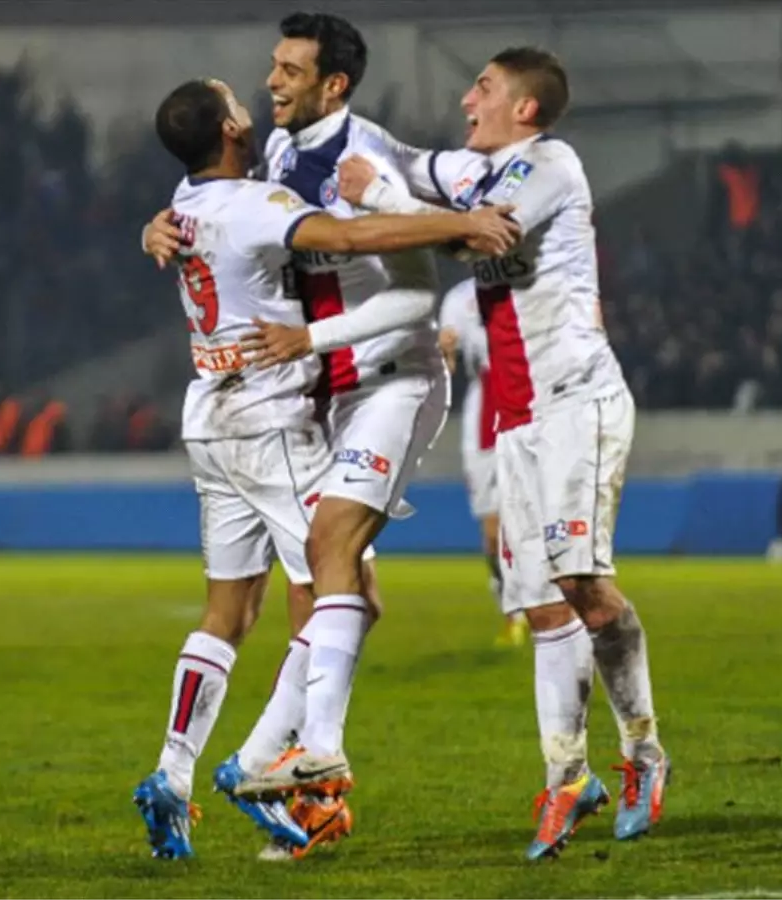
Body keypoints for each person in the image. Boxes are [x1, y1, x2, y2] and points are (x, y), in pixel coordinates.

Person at [132, 76, 519, 862]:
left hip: (207, 416)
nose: (259, 90)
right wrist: (459, 223)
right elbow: (344, 241)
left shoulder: (184, 204)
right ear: (233, 126)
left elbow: (186, 223)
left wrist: (149, 232)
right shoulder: (254, 206)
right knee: (347, 587)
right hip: (268, 418)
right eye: (238, 94)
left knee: (228, 614)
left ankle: (172, 777)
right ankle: (293, 770)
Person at [336, 47, 670, 860]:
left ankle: (645, 755)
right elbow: (416, 163)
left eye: (482, 88)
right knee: (546, 608)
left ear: (525, 107)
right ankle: (566, 782)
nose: (465, 99)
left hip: (574, 402)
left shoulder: (551, 163)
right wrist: (342, 132)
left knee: (585, 586)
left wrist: (379, 195)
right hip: (515, 422)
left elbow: (484, 240)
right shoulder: (474, 167)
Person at [438, 276, 528, 647]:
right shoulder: (459, 298)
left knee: (533, 518)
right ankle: (512, 611)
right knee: (493, 533)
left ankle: (548, 610)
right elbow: (447, 351)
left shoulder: (528, 282)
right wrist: (444, 353)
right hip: (485, 406)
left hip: (530, 395)